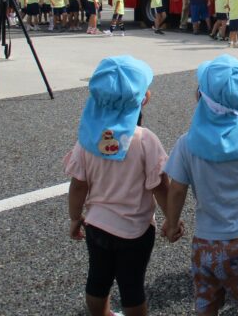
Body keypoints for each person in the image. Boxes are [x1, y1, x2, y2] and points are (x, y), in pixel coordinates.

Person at [163, 55, 238, 316]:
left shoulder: (187, 142)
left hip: (205, 241)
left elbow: (176, 189)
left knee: (206, 302)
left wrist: (172, 223)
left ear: (200, 98)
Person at [64, 56, 176, 316]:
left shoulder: (87, 140)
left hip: (96, 226)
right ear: (144, 98)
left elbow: (78, 185)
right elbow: (160, 186)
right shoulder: (145, 140)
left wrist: (74, 218)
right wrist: (172, 219)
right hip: (135, 231)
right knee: (132, 287)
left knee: (97, 281)